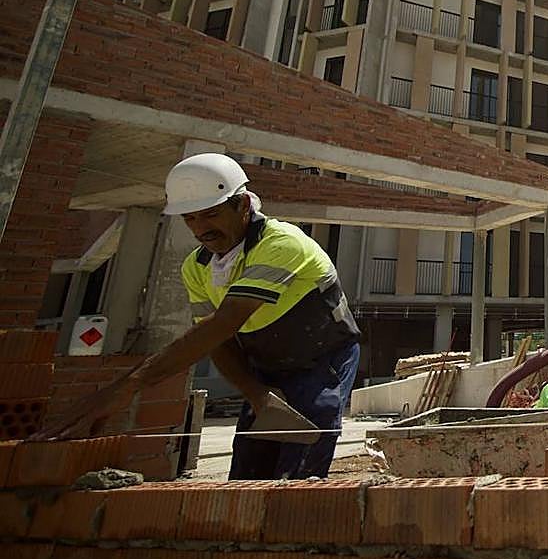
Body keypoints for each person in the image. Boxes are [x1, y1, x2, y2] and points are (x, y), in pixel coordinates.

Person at [42, 153, 361, 480]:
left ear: (243, 206)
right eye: (190, 219)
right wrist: (256, 393)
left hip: (322, 361)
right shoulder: (197, 267)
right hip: (266, 369)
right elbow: (217, 342)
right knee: (249, 471)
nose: (201, 229)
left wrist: (128, 386)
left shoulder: (281, 245)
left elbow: (224, 323)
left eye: (210, 215)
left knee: (300, 464)